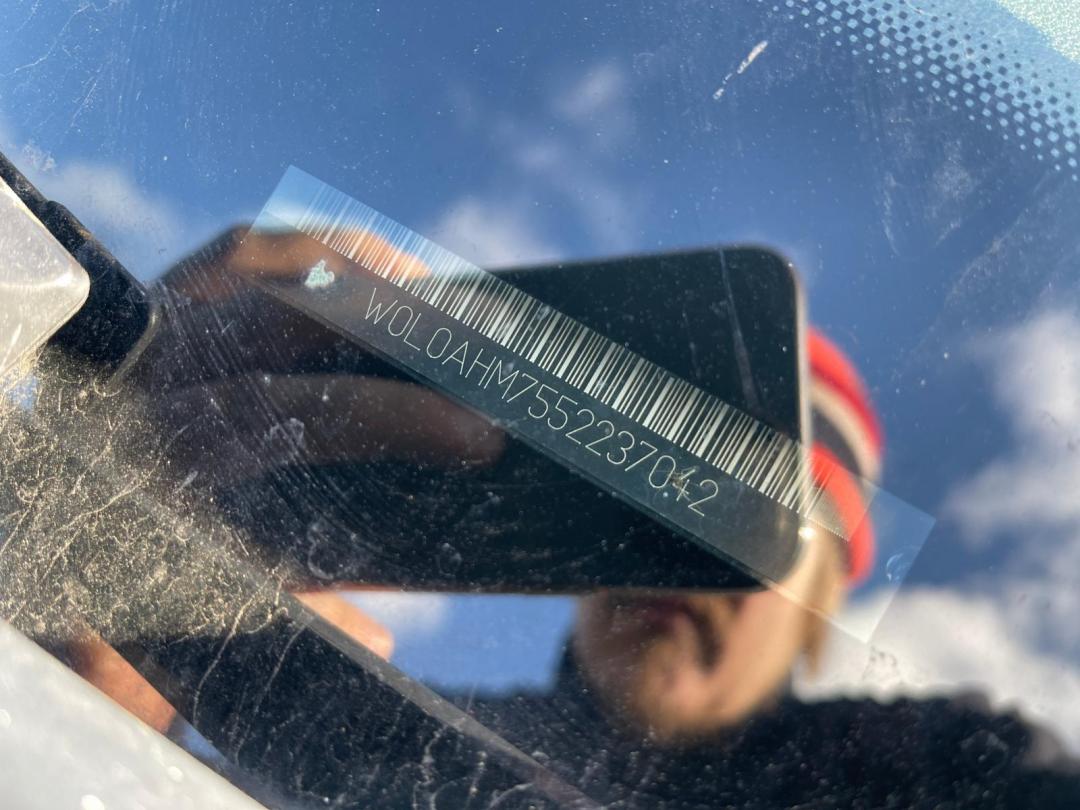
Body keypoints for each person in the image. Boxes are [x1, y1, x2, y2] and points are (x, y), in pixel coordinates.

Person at [66, 228, 1080, 808]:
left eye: (744, 515)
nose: (674, 553)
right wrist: (111, 594)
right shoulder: (385, 734)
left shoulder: (938, 775)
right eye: (632, 494)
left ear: (823, 593)